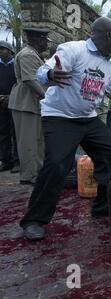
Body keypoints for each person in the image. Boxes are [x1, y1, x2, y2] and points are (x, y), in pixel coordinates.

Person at [19, 17, 111, 241]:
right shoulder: (73, 50)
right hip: (60, 117)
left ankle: (102, 207)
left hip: (88, 119)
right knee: (56, 164)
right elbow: (43, 72)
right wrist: (51, 75)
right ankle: (34, 220)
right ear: (109, 36)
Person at [8, 28, 49, 185]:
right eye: (45, 40)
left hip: (32, 103)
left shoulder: (33, 54)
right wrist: (47, 98)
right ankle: (29, 176)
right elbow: (30, 80)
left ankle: (36, 172)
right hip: (25, 103)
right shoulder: (28, 55)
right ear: (38, 40)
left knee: (37, 140)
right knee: (28, 141)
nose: (46, 43)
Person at [0, 40, 19, 173]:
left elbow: (20, 83)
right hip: (0, 102)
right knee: (3, 133)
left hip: (14, 102)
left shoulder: (16, 65)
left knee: (16, 132)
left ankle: (18, 161)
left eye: (3, 49)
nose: (1, 51)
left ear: (10, 51)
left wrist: (10, 96)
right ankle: (6, 161)